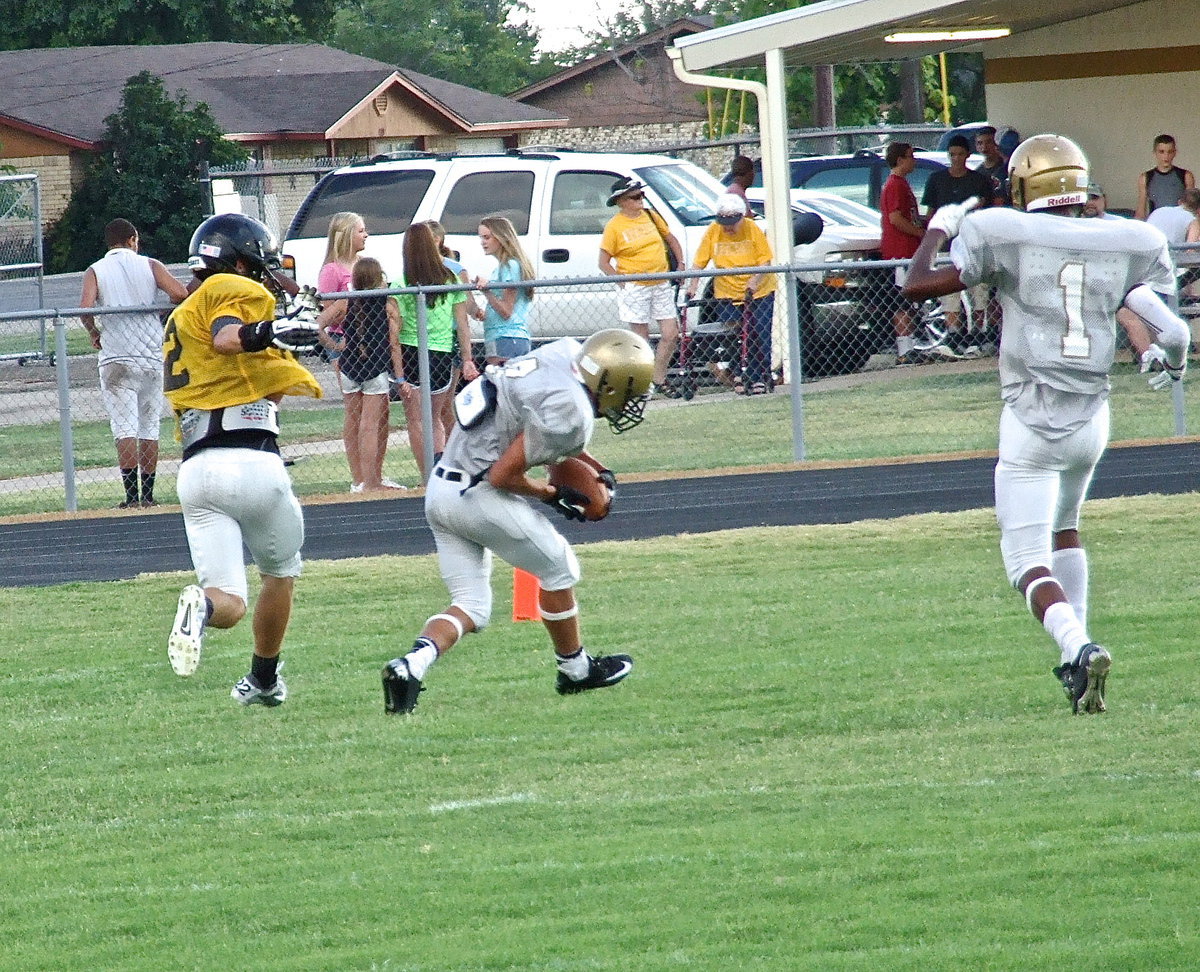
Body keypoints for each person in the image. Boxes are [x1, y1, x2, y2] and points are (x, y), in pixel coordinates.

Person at [902, 134, 1188, 715]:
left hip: (1032, 417)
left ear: (1023, 185)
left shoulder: (1008, 233)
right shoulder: (1125, 239)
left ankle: (1078, 646)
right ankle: (1079, 667)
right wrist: (1167, 358)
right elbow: (1169, 326)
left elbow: (914, 283)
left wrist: (940, 222)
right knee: (1067, 529)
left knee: (1026, 561)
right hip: (1093, 419)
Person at [381, 328, 655, 714]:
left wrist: (594, 466)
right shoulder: (572, 413)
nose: (632, 401)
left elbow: (538, 424)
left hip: (441, 489)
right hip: (476, 493)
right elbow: (503, 476)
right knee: (560, 568)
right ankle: (575, 670)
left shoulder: (564, 355)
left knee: (472, 606)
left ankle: (411, 665)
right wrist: (553, 495)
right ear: (610, 384)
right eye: (632, 390)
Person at [163, 213, 323, 706]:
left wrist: (278, 334)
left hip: (196, 472)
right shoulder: (233, 289)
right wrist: (268, 330)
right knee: (281, 572)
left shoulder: (180, 314)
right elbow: (228, 337)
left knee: (227, 601)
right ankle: (264, 677)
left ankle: (201, 609)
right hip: (252, 462)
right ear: (240, 261)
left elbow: (245, 367)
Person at [79, 218, 188, 508]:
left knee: (124, 425)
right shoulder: (150, 265)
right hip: (152, 354)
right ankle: (148, 495)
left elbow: (85, 308)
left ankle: (130, 496)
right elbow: (180, 294)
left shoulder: (96, 271)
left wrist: (94, 332)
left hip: (116, 355)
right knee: (149, 424)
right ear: (132, 240)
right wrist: (158, 314)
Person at [396, 222, 480, 478]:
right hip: (442, 354)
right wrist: (466, 358)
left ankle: (428, 475)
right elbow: (463, 324)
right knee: (434, 419)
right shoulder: (448, 279)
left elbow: (395, 329)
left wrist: (468, 360)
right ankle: (439, 473)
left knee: (417, 419)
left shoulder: (401, 283)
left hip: (412, 351)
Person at [315, 257, 405, 492]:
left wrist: (336, 347)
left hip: (349, 368)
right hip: (375, 369)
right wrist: (401, 376)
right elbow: (394, 344)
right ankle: (371, 482)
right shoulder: (387, 304)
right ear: (378, 278)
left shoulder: (346, 300)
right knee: (369, 425)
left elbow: (319, 325)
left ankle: (361, 480)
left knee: (354, 420)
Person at [599, 176, 683, 394]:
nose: (640, 200)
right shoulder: (614, 227)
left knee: (671, 333)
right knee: (641, 339)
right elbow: (604, 262)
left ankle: (659, 377)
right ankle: (644, 384)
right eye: (635, 197)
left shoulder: (651, 216)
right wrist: (623, 282)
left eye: (641, 195)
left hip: (661, 282)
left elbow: (671, 239)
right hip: (636, 286)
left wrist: (680, 264)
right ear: (622, 201)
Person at [685, 192, 775, 394]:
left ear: (742, 217)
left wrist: (753, 283)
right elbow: (699, 261)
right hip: (727, 293)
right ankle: (738, 376)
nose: (728, 227)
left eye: (732, 222)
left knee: (758, 333)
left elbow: (765, 261)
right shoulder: (713, 231)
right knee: (732, 337)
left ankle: (758, 376)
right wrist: (693, 285)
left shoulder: (753, 229)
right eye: (724, 222)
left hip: (759, 291)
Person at [922, 135, 996, 355]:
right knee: (949, 292)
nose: (956, 159)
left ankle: (980, 332)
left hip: (973, 244)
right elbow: (931, 213)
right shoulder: (937, 179)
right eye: (952, 155)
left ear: (967, 155)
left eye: (960, 154)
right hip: (947, 245)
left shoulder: (979, 180)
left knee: (979, 290)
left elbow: (987, 212)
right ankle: (953, 333)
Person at [880, 142, 929, 365]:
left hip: (908, 252)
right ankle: (904, 349)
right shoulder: (894, 185)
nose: (914, 160)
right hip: (899, 253)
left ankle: (910, 346)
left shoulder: (902, 184)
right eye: (910, 156)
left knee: (909, 300)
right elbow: (895, 218)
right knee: (902, 300)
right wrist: (918, 232)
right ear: (900, 159)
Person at [474, 215, 534, 365]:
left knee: (503, 386)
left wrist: (487, 291)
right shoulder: (501, 267)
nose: (482, 242)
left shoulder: (510, 266)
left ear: (501, 238)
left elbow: (506, 311)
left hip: (506, 337)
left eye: (487, 237)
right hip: (500, 336)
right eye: (481, 238)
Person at [1135, 134, 1195, 220]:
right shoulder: (1145, 177)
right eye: (1161, 152)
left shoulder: (1186, 176)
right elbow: (1141, 211)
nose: (1166, 156)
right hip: (1156, 226)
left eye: (1169, 152)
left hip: (1179, 225)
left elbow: (1191, 209)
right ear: (1155, 153)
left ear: (1175, 153)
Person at [974, 126, 1011, 207]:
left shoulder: (1008, 166)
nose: (984, 147)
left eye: (989, 142)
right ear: (976, 147)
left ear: (996, 143)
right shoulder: (977, 174)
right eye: (980, 143)